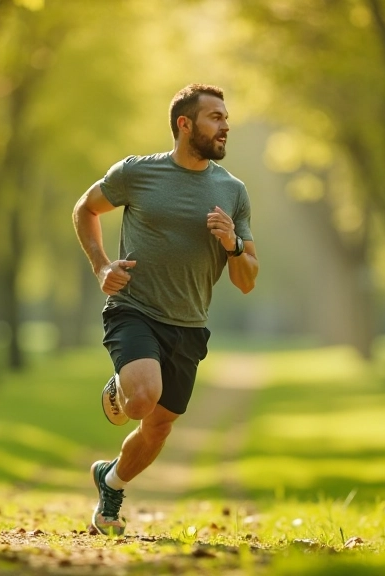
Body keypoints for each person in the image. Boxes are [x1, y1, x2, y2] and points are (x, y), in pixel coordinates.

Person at [71, 83, 260, 536]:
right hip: (133, 307)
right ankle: (125, 384)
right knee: (141, 399)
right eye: (215, 117)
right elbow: (85, 209)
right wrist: (101, 267)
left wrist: (232, 242)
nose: (225, 126)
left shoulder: (233, 192)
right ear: (184, 124)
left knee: (157, 429)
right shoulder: (137, 173)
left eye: (226, 118)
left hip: (189, 324)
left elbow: (247, 279)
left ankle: (110, 483)